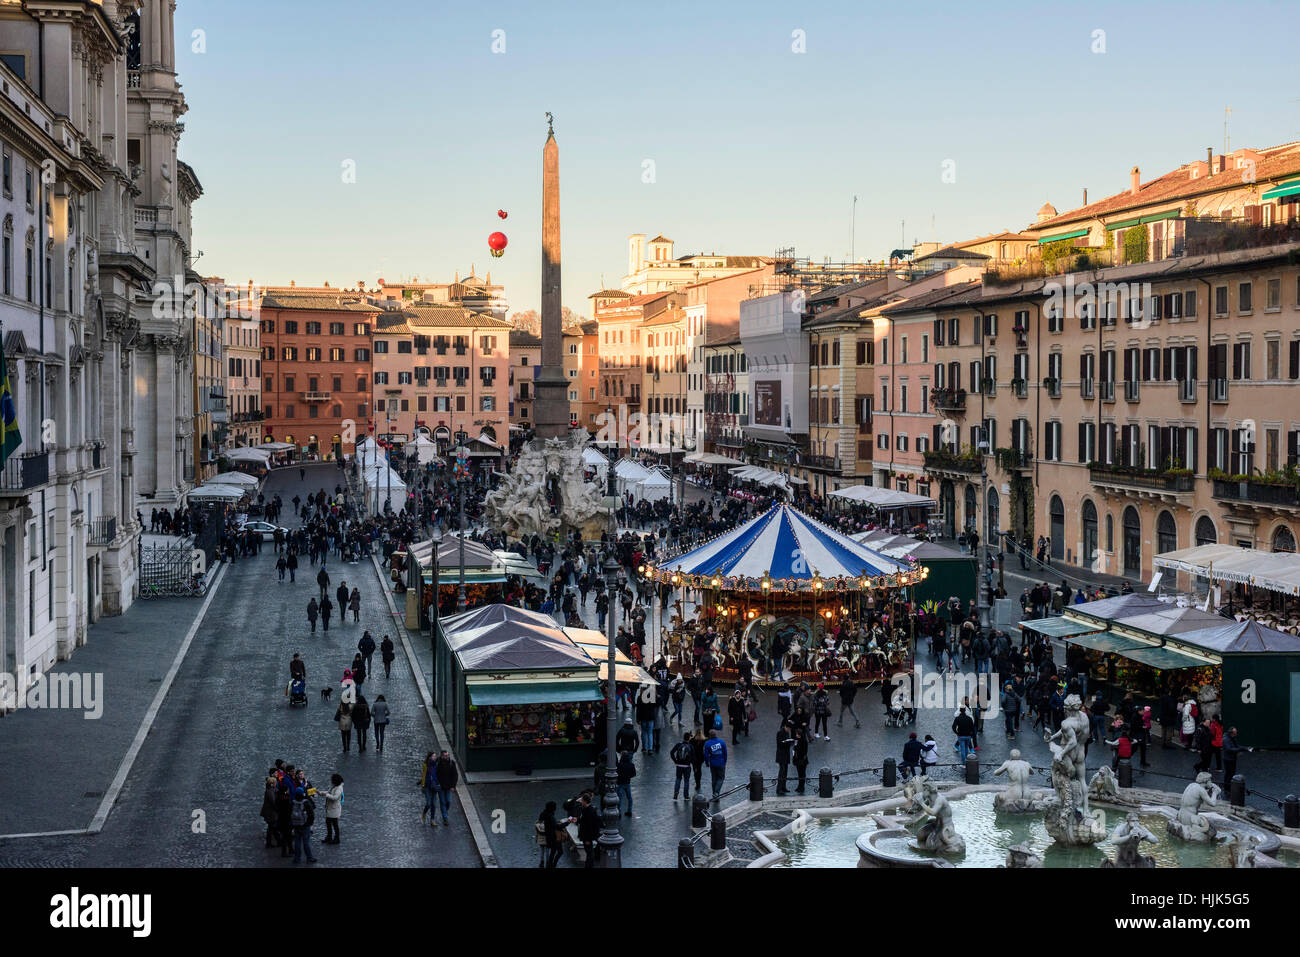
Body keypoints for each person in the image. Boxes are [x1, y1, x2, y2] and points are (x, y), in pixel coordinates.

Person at [290, 786, 317, 864]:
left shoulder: (292, 802)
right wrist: (310, 823)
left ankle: (297, 858)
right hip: (305, 825)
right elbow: (311, 814)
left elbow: (289, 813)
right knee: (306, 842)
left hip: (296, 824)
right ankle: (309, 858)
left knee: (297, 842)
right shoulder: (306, 802)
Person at [537, 801, 565, 868]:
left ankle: (544, 863)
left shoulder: (543, 813)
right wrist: (567, 823)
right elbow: (556, 826)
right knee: (554, 851)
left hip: (544, 835)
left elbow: (539, 822)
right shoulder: (551, 816)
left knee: (546, 850)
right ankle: (550, 864)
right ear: (552, 808)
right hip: (552, 836)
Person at [577, 793, 600, 868]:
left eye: (582, 800)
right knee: (589, 853)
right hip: (587, 835)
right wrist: (577, 820)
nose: (581, 802)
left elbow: (589, 826)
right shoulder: (589, 809)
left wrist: (588, 839)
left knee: (589, 853)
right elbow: (584, 821)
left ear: (585, 801)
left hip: (587, 836)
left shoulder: (588, 811)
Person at [703, 728, 727, 799]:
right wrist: (725, 761)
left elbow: (706, 755)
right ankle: (716, 793)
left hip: (713, 763)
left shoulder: (707, 743)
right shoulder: (722, 742)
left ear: (709, 736)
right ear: (715, 734)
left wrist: (707, 762)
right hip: (721, 763)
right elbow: (725, 753)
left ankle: (714, 794)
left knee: (714, 779)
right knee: (721, 778)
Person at [434, 750, 457, 825]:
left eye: (448, 755)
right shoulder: (437, 763)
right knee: (443, 802)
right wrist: (437, 784)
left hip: (448, 786)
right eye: (446, 755)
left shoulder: (451, 763)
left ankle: (445, 812)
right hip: (440, 786)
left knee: (448, 801)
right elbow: (434, 775)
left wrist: (453, 786)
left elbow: (455, 775)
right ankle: (445, 817)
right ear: (442, 756)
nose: (447, 757)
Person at [670, 732, 694, 800]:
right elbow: (693, 757)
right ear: (689, 738)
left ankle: (676, 794)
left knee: (678, 779)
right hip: (687, 766)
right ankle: (686, 796)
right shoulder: (690, 746)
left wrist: (675, 761)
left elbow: (671, 752)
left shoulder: (679, 744)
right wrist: (691, 763)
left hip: (679, 765)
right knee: (686, 781)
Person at [322, 773, 344, 845]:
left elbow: (335, 798)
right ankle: (329, 837)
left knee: (335, 824)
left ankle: (336, 838)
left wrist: (326, 795)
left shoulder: (339, 788)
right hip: (330, 809)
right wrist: (321, 792)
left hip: (334, 810)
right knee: (328, 823)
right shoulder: (334, 786)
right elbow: (328, 792)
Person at [420, 752, 440, 825]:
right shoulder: (425, 765)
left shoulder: (436, 764)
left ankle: (432, 820)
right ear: (430, 757)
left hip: (434, 786)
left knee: (434, 804)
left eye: (435, 756)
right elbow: (424, 775)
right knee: (428, 803)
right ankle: (424, 813)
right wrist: (422, 784)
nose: (435, 757)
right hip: (427, 787)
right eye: (434, 756)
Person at [775, 720, 794, 795]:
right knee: (781, 772)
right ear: (785, 727)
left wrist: (790, 742)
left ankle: (783, 787)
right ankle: (779, 789)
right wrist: (785, 742)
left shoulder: (787, 732)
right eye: (788, 729)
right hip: (781, 755)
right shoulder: (780, 732)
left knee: (785, 771)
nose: (789, 730)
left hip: (786, 754)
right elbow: (779, 743)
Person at [261, 775, 280, 848]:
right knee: (272, 827)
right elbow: (273, 802)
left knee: (272, 827)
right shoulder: (270, 792)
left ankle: (274, 841)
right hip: (271, 813)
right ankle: (272, 842)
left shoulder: (270, 790)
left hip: (270, 812)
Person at [615, 749, 636, 817]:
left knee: (619, 798)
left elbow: (616, 773)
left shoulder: (619, 765)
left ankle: (619, 812)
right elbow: (634, 774)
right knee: (629, 798)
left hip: (620, 783)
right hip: (627, 783)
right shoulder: (631, 765)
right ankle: (629, 811)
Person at [791, 726, 810, 794]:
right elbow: (795, 748)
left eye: (797, 734)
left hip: (802, 760)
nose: (796, 735)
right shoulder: (797, 740)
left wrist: (797, 751)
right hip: (798, 760)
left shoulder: (804, 741)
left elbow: (804, 751)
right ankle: (799, 786)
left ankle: (802, 787)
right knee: (799, 774)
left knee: (802, 774)